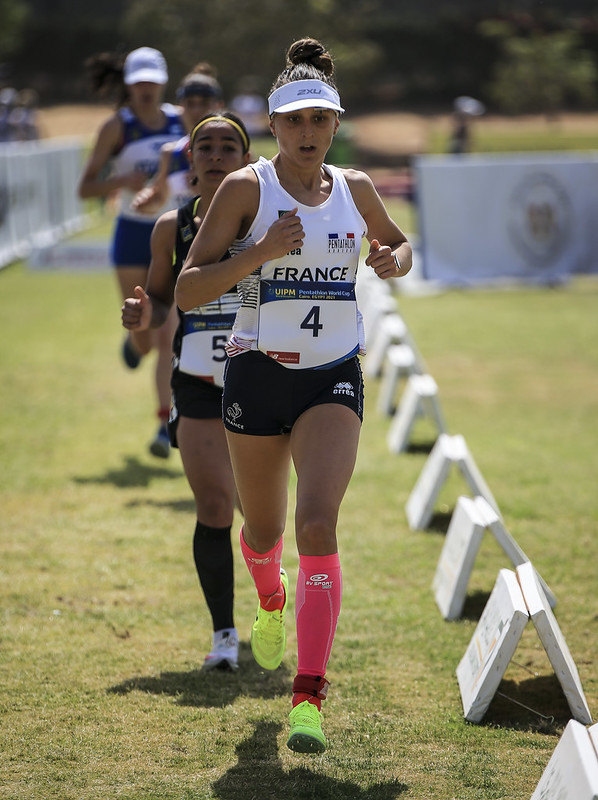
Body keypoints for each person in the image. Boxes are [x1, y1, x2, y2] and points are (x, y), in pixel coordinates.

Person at [175, 38, 412, 753]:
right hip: (255, 374)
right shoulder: (245, 190)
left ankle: (308, 696)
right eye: (294, 122)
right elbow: (189, 289)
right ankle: (269, 596)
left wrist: (390, 259)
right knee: (263, 534)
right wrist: (258, 254)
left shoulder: (356, 188)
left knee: (317, 527)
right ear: (274, 127)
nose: (308, 133)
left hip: (333, 374)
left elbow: (400, 246)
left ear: (335, 124)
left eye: (320, 120)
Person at [122, 111, 252, 670]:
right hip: (198, 382)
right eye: (206, 146)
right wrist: (139, 314)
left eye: (229, 146)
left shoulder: (273, 220)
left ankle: (271, 601)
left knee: (263, 516)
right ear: (191, 161)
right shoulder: (169, 227)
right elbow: (155, 300)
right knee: (216, 506)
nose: (217, 154)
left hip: (263, 381)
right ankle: (224, 636)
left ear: (247, 161)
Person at [78, 47, 185, 459]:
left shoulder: (181, 120)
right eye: (137, 81)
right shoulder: (116, 127)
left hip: (173, 234)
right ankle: (132, 346)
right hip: (131, 236)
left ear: (161, 82)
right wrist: (120, 179)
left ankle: (164, 424)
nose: (144, 88)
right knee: (143, 334)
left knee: (166, 334)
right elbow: (86, 188)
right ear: (128, 84)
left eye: (151, 80)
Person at [132, 64, 224, 214]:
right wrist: (145, 199)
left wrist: (208, 191)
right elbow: (157, 203)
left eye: (204, 103)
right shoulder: (170, 153)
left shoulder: (234, 151)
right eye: (190, 104)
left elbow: (249, 203)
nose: (197, 110)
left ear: (219, 105)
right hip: (182, 237)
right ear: (180, 107)